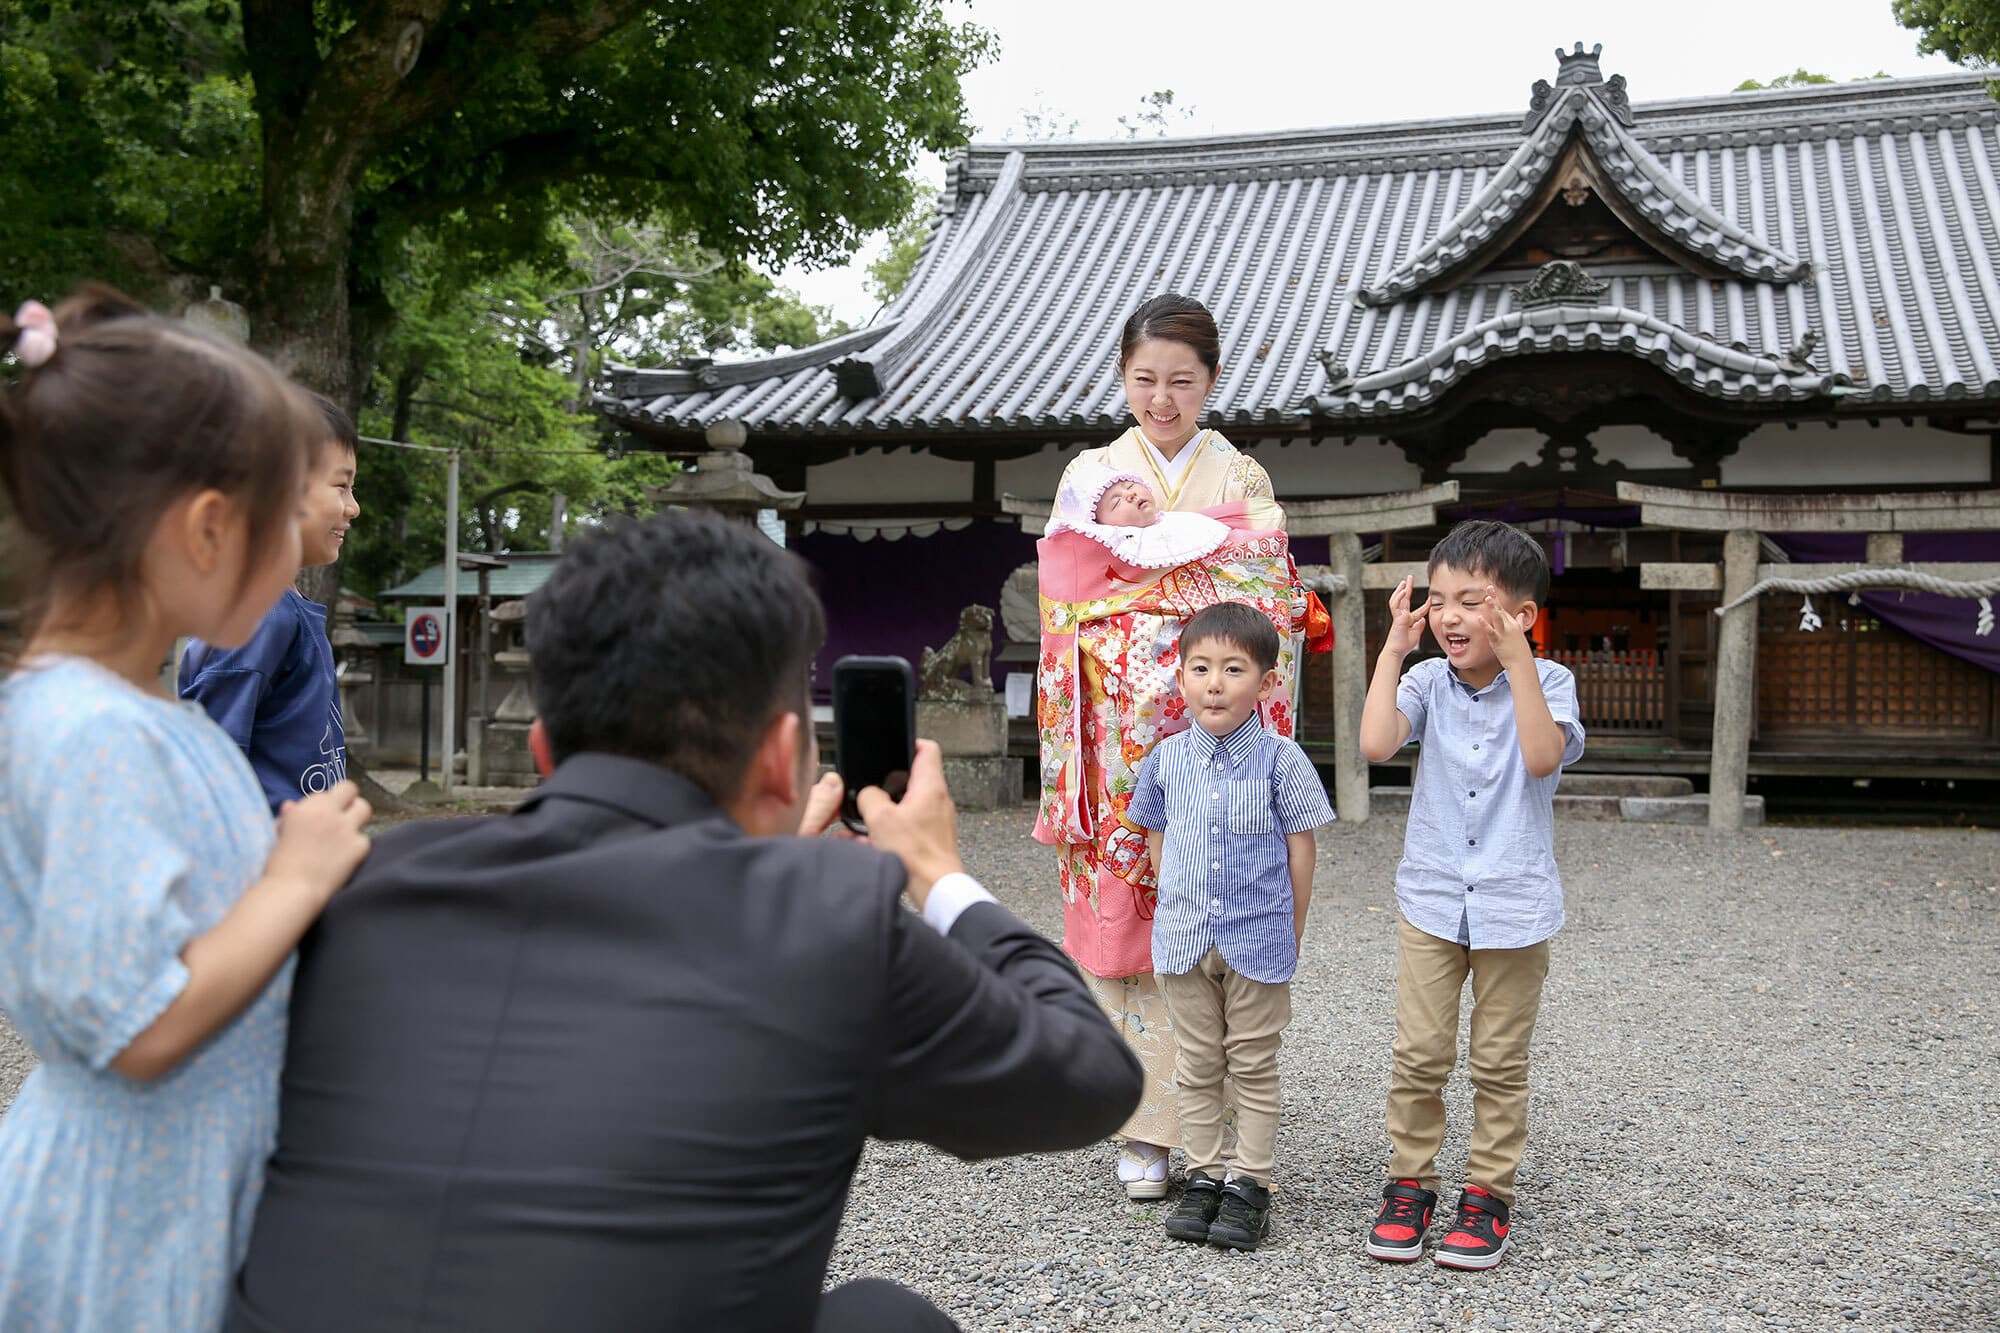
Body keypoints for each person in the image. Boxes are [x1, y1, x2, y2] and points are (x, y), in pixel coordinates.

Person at [224, 508, 1144, 1333]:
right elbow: (1092, 1076)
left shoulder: (357, 885)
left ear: (545, 749)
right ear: (785, 761)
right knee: (887, 1319)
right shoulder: (824, 920)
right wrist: (937, 874)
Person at [0, 289, 373, 1332]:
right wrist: (295, 880)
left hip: (179, 1183)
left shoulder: (148, 719)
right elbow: (141, 1023)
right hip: (126, 1217)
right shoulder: (88, 734)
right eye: (278, 517)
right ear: (210, 526)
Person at [1037, 292, 1292, 1202]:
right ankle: (1144, 1125)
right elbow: (1066, 598)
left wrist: (1163, 606)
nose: (1162, 399)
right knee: (1124, 936)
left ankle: (1221, 1135)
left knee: (1215, 925)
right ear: (1122, 377)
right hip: (1117, 746)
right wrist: (1158, 615)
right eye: (1145, 379)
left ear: (1213, 380)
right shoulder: (1090, 473)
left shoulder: (1243, 477)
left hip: (1218, 739)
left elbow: (1269, 597)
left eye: (1182, 381)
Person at [1356, 520, 1586, 1270]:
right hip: (1430, 895)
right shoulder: (1424, 680)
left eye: (1471, 600)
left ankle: (1489, 1193)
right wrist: (1394, 647)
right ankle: (1409, 1184)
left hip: (1514, 903)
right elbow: (1376, 744)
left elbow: (1544, 754)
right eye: (1438, 598)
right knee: (1419, 1051)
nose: (1449, 615)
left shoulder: (1550, 683)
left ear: (1521, 614)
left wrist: (1519, 661)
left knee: (1498, 1058)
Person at [1126, 601, 1333, 1251]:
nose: (1214, 682)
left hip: (1258, 935)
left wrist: (1291, 927)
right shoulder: (1165, 760)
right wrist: (1174, 906)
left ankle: (1252, 1183)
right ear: (1180, 677)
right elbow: (1157, 837)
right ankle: (1206, 1172)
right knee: (1196, 1061)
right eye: (1200, 667)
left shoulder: (1282, 760)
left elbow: (1302, 847)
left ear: (1267, 682)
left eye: (1233, 668)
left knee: (1252, 1063)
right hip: (1184, 937)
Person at [180, 395, 362, 813]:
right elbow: (213, 766)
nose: (353, 507)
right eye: (341, 486)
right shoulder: (257, 615)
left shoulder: (281, 608)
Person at [1046, 461, 1232, 571]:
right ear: (1100, 526)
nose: (1130, 495)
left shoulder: (1183, 522)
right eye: (1116, 502)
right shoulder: (1111, 552)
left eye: (1130, 486)